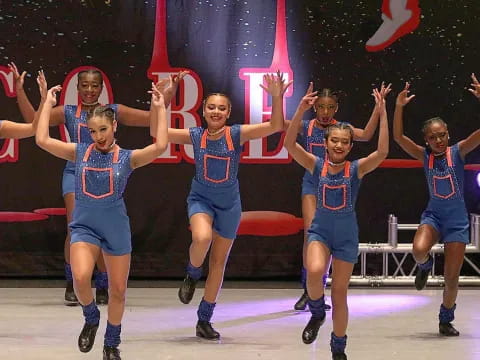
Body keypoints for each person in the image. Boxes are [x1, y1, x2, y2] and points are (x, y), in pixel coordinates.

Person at [9, 62, 185, 305]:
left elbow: (152, 119)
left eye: (94, 85)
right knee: (75, 226)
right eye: (85, 85)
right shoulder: (68, 111)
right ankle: (73, 280)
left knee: (103, 227)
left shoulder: (114, 111)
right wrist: (20, 91)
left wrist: (167, 96)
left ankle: (103, 281)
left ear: (102, 88)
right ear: (77, 87)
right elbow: (33, 122)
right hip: (76, 171)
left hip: (108, 171)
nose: (89, 89)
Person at [35, 72, 168, 360]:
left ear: (114, 126)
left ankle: (111, 343)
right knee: (82, 279)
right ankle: (91, 316)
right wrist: (47, 102)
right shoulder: (79, 153)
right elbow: (42, 139)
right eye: (93, 132)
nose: (99, 137)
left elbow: (159, 146)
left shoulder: (127, 157)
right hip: (85, 227)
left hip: (116, 229)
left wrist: (160, 107)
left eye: (103, 130)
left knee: (118, 292)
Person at [161, 72, 291, 340]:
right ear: (203, 110)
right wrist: (163, 102)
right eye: (211, 107)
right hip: (201, 199)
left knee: (219, 263)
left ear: (229, 112)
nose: (216, 111)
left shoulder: (236, 134)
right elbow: (157, 132)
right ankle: (192, 273)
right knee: (202, 237)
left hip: (229, 206)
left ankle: (204, 320)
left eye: (222, 108)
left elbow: (275, 126)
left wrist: (276, 97)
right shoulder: (196, 136)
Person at [284, 84, 389, 360]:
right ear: (325, 143)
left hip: (346, 236)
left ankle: (338, 345)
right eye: (334, 141)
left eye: (344, 142)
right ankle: (317, 311)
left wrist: (383, 110)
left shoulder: (356, 169)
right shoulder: (316, 165)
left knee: (340, 293)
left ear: (350, 145)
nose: (339, 145)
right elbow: (288, 144)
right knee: (315, 269)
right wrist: (299, 110)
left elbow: (381, 151)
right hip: (321, 231)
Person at [393, 76, 480, 336]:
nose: (438, 140)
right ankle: (424, 265)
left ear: (448, 134)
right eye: (433, 137)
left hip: (457, 222)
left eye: (442, 135)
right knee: (418, 250)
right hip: (433, 216)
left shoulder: (459, 151)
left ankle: (445, 318)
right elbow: (397, 137)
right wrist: (398, 107)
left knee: (451, 277)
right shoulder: (424, 155)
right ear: (427, 140)